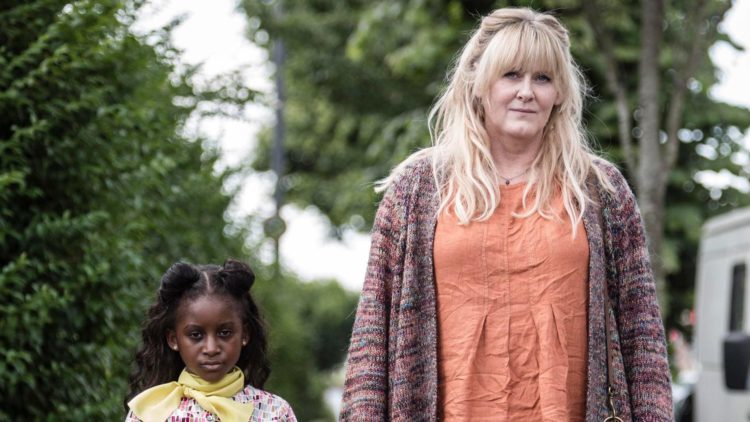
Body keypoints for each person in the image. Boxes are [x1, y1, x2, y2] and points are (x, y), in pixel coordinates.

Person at [340, 7, 672, 422]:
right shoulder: (417, 189)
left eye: (543, 78)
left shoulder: (600, 190)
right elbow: (372, 336)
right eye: (511, 75)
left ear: (560, 93)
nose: (526, 92)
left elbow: (642, 339)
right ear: (479, 83)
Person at [125, 259, 296, 422]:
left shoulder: (275, 412)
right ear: (173, 339)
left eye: (225, 333)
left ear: (244, 334)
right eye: (196, 335)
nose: (211, 348)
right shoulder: (148, 411)